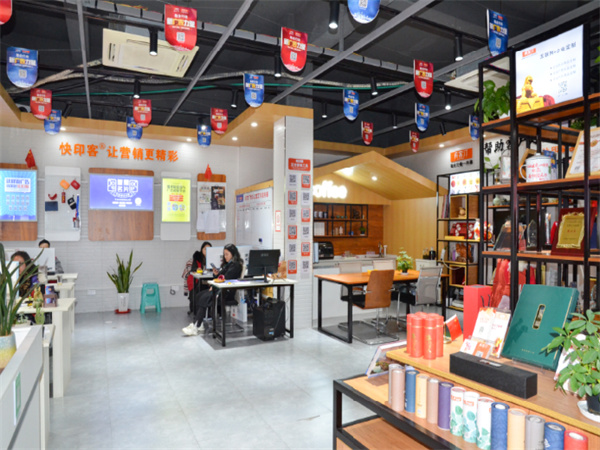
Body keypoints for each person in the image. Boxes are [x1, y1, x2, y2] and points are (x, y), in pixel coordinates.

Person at [182, 243, 243, 336]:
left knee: (204, 298)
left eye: (227, 254)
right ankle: (199, 323)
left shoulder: (236, 265)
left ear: (233, 254)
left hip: (226, 292)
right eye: (224, 254)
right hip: (219, 289)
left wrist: (214, 284)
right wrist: (215, 274)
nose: (225, 256)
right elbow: (220, 276)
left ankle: (195, 326)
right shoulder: (228, 264)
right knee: (199, 295)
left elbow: (225, 278)